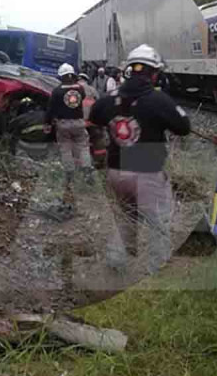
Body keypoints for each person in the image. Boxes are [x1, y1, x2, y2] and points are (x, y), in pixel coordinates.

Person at [89, 44, 191, 275]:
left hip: (116, 172)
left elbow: (94, 118)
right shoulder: (157, 99)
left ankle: (115, 262)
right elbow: (184, 127)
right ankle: (158, 269)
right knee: (159, 223)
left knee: (126, 217)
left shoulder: (108, 98)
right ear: (154, 73)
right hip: (147, 173)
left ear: (128, 71)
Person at [44, 63, 96, 210]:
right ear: (73, 75)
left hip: (63, 124)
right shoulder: (80, 88)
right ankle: (86, 169)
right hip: (79, 123)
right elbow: (83, 97)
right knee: (83, 146)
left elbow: (50, 110)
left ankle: (69, 173)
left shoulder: (57, 91)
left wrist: (47, 123)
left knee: (65, 148)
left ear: (61, 76)